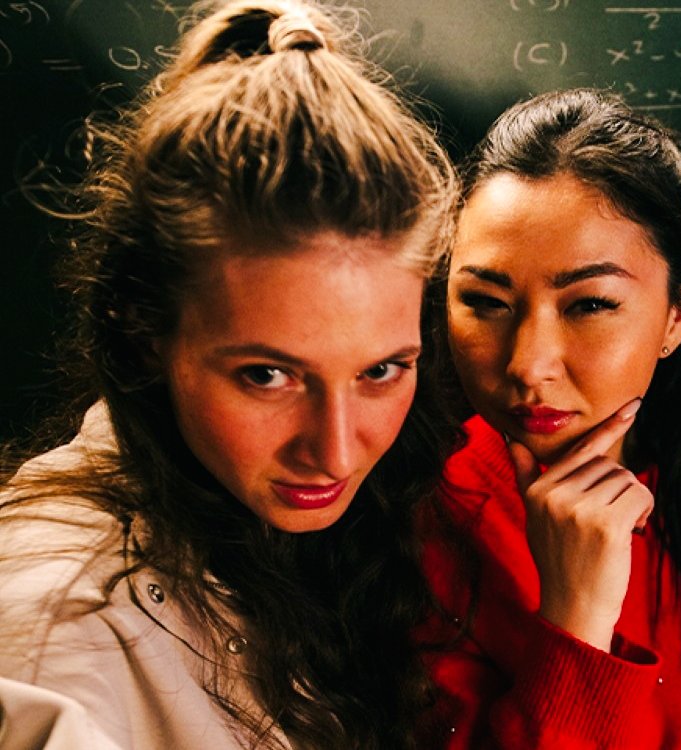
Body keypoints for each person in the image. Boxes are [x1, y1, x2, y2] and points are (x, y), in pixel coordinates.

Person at [0, 1, 458, 748]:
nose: (336, 452)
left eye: (380, 369)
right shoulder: (53, 636)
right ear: (143, 331)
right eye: (268, 376)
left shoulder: (357, 532)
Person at [415, 88, 681, 748]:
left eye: (589, 306)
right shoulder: (426, 509)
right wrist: (576, 620)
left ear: (677, 312)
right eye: (486, 302)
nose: (529, 364)